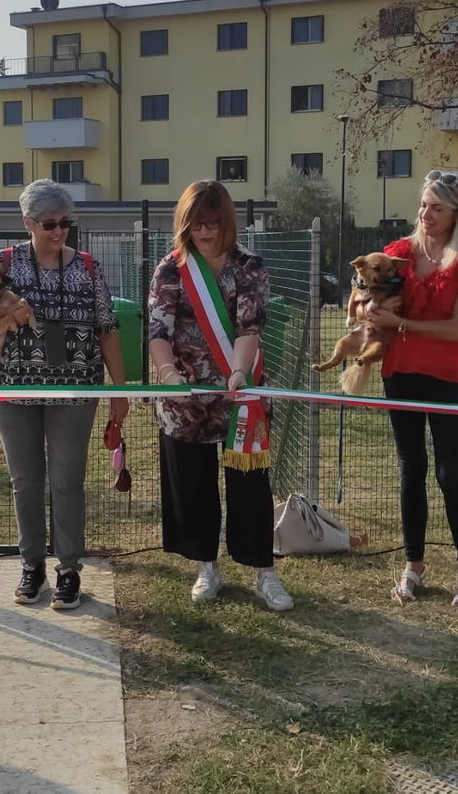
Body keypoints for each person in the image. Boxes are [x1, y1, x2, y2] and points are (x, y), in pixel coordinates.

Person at [0, 179, 128, 610]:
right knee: (25, 480)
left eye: (65, 222)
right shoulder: (3, 263)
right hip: (11, 390)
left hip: (76, 390)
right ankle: (31, 566)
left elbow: (107, 329)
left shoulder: (88, 267)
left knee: (67, 481)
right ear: (28, 222)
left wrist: (119, 392)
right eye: (49, 223)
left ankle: (68, 570)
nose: (58, 231)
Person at [147, 180, 293, 611]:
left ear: (226, 222)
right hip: (183, 395)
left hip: (239, 392)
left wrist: (240, 372)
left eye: (212, 223)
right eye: (196, 225)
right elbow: (158, 331)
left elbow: (250, 328)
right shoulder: (169, 270)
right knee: (192, 484)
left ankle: (264, 571)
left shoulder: (250, 267)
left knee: (250, 485)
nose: (205, 233)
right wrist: (168, 373)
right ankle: (206, 566)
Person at [365, 171, 458, 607]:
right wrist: (366, 306)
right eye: (423, 205)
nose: (426, 214)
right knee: (410, 468)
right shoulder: (398, 253)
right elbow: (367, 291)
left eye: (437, 207)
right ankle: (413, 564)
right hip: (399, 373)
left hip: (446, 375)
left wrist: (399, 324)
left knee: (449, 473)